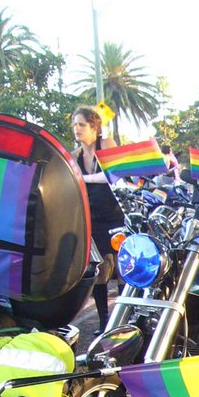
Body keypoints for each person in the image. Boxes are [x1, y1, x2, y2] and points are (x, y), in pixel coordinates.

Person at [72, 105, 123, 332]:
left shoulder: (106, 144)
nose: (77, 129)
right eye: (75, 125)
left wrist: (85, 179)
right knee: (100, 268)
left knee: (122, 266)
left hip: (114, 214)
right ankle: (104, 322)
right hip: (93, 217)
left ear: (94, 127)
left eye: (81, 124)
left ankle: (124, 319)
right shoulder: (75, 155)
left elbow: (112, 175)